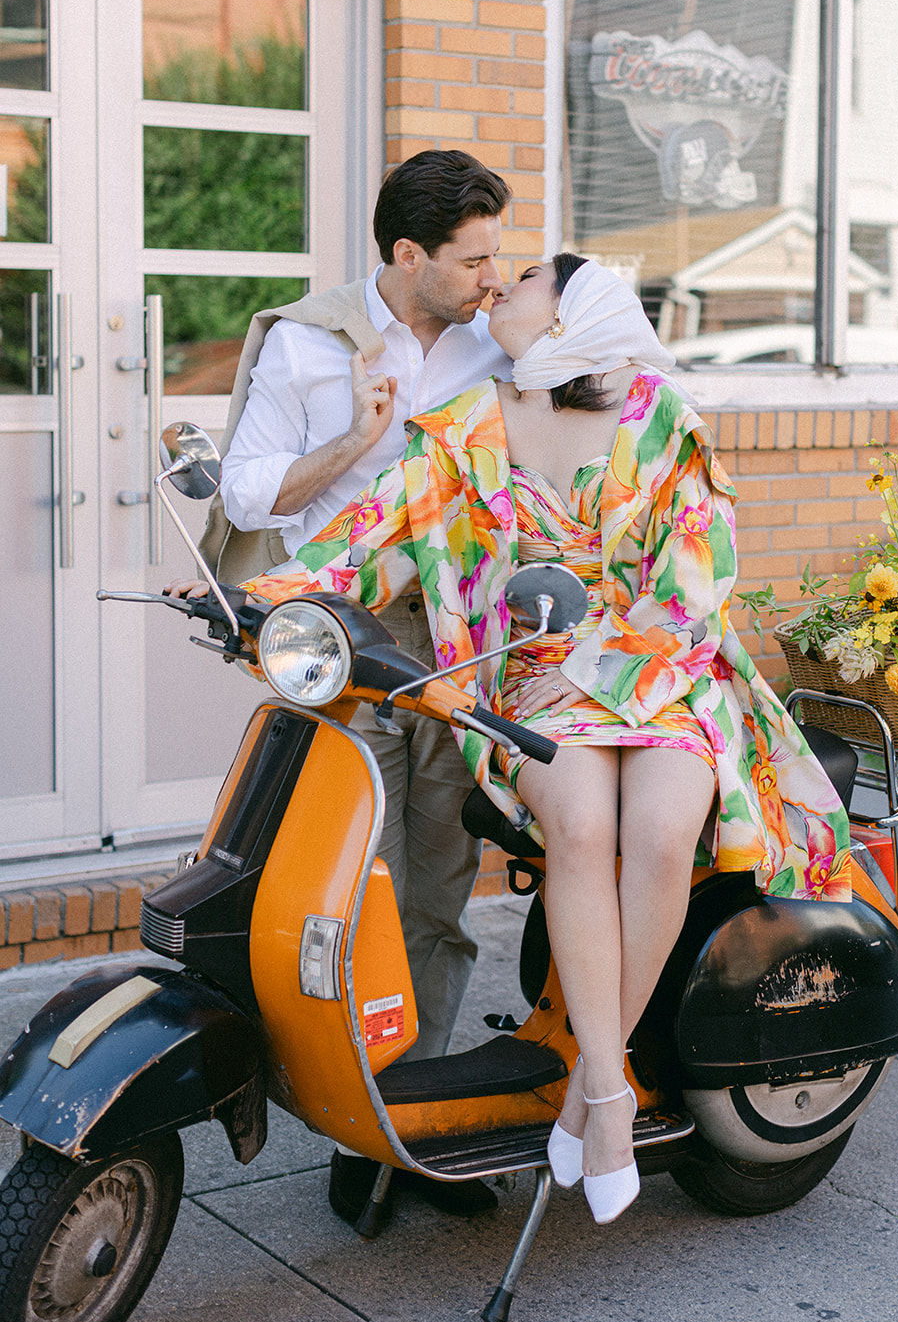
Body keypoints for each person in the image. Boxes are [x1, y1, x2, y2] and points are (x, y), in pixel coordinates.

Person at [242, 255, 852, 1225]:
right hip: (535, 673)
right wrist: (262, 595)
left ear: (574, 311)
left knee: (657, 830)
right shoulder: (468, 427)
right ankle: (603, 1090)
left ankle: (590, 1086)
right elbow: (368, 529)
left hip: (657, 666)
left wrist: (606, 657)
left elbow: (699, 570)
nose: (502, 287)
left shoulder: (657, 413)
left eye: (524, 277)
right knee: (577, 823)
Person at [191, 150, 514, 1222]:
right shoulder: (306, 344)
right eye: (471, 259)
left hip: (455, 641)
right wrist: (352, 445)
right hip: (338, 644)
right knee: (348, 883)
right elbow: (246, 491)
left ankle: (417, 1117)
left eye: (496, 255)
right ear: (407, 254)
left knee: (439, 872)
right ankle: (349, 1111)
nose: (489, 275)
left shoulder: (491, 341)